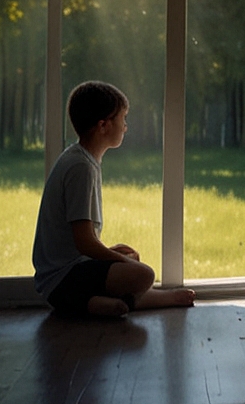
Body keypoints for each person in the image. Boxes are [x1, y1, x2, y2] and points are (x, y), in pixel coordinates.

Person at [33, 81, 195, 317]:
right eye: (123, 118)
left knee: (131, 259)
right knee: (143, 274)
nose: (126, 127)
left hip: (66, 276)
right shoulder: (81, 167)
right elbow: (84, 242)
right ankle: (87, 303)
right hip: (62, 282)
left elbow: (80, 243)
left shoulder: (82, 159)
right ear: (104, 125)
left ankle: (105, 303)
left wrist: (116, 255)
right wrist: (121, 261)